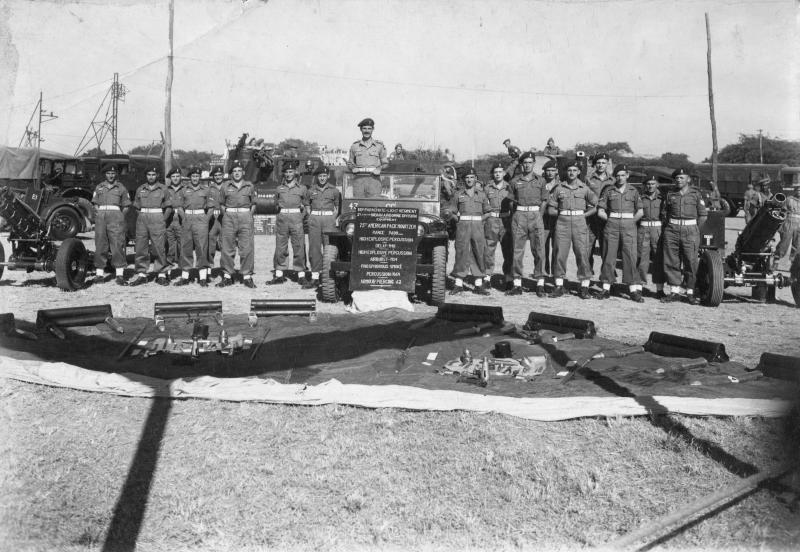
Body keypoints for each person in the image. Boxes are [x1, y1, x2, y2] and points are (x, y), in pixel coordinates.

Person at [546, 159, 597, 299]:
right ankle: (559, 285)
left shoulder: (584, 188)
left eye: (574, 170)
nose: (572, 173)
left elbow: (595, 205)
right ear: (565, 172)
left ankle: (584, 287)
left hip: (580, 223)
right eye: (569, 170)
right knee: (559, 254)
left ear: (579, 172)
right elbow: (551, 209)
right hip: (562, 223)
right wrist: (563, 213)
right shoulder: (559, 188)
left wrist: (584, 215)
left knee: (582, 254)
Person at [596, 164, 644, 301]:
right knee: (608, 257)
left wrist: (631, 222)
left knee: (630, 257)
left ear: (627, 176)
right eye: (617, 175)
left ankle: (633, 290)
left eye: (623, 175)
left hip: (629, 226)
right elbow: (600, 211)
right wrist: (611, 220)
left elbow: (640, 211)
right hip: (612, 226)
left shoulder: (634, 191)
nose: (620, 178)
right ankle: (606, 288)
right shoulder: (608, 190)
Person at [661, 167, 708, 304]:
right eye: (677, 178)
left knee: (691, 262)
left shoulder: (696, 194)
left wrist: (694, 230)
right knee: (671, 260)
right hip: (672, 230)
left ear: (688, 179)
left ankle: (690, 292)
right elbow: (665, 213)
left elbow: (703, 215)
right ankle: (674, 291)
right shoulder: (670, 194)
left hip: (690, 230)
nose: (679, 180)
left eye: (682, 177)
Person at [506, 151, 548, 296]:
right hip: (520, 215)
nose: (527, 165)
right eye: (525, 162)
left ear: (534, 163)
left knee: (539, 250)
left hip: (536, 215)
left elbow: (544, 201)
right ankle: (517, 284)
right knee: (517, 250)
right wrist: (518, 215)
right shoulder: (514, 181)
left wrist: (539, 216)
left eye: (530, 162)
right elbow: (511, 202)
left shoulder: (541, 181)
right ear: (521, 164)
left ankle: (540, 283)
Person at [127, 165, 171, 287]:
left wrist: (163, 219)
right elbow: (136, 206)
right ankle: (142, 274)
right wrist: (142, 215)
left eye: (153, 175)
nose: (151, 177)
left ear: (157, 176)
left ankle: (161, 274)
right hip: (142, 218)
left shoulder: (163, 189)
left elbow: (168, 207)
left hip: (157, 218)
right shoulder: (140, 189)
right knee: (141, 246)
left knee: (158, 247)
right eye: (148, 174)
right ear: (146, 176)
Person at [267, 160, 309, 286]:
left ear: (295, 173)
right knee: (281, 246)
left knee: (299, 246)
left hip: (296, 218)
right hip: (282, 218)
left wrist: (300, 217)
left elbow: (306, 205)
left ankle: (301, 274)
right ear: (283, 174)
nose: (289, 174)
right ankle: (279, 274)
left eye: (291, 172)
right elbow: (275, 205)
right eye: (286, 172)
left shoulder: (302, 188)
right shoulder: (279, 188)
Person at [450, 167, 490, 295]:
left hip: (477, 227)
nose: (469, 180)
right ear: (463, 180)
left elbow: (488, 212)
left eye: (472, 177)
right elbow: (452, 212)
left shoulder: (482, 194)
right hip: (463, 226)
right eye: (467, 177)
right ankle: (458, 284)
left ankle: (478, 284)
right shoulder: (458, 194)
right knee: (461, 252)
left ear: (476, 179)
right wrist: (459, 221)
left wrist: (480, 221)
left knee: (478, 252)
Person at [217, 160, 257, 288]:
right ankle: (228, 276)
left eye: (239, 171)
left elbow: (254, 204)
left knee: (246, 248)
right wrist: (229, 214)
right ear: (231, 173)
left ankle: (246, 276)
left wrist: (248, 216)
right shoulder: (225, 186)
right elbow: (222, 205)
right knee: (227, 247)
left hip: (245, 216)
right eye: (234, 171)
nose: (237, 173)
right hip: (229, 217)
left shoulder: (249, 186)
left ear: (243, 172)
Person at [91, 163, 131, 285]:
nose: (111, 176)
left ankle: (119, 274)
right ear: (105, 174)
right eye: (108, 173)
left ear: (116, 174)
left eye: (113, 173)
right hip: (101, 216)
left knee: (117, 244)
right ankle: (99, 274)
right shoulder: (99, 187)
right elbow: (95, 204)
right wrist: (100, 214)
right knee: (100, 243)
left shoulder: (121, 188)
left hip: (116, 216)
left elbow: (126, 205)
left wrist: (119, 217)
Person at [174, 167, 214, 286]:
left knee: (201, 247)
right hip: (187, 219)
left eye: (197, 176)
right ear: (190, 177)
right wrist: (184, 217)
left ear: (199, 177)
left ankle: (202, 277)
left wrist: (205, 220)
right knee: (186, 247)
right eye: (193, 176)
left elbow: (211, 208)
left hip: (201, 218)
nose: (195, 178)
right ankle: (185, 277)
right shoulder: (184, 190)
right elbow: (179, 206)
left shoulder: (206, 190)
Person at [305, 165, 341, 289]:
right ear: (317, 177)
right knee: (314, 248)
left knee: (328, 248)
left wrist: (332, 218)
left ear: (328, 176)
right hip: (315, 219)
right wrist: (312, 216)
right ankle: (315, 277)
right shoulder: (311, 190)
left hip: (328, 219)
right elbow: (307, 205)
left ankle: (329, 276)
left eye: (324, 176)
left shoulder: (334, 190)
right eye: (320, 176)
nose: (322, 178)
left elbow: (337, 207)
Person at [482, 162, 513, 289]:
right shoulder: (487, 187)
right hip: (492, 220)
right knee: (489, 250)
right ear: (492, 174)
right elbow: (484, 204)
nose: (498, 174)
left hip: (506, 221)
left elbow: (513, 203)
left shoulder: (509, 187)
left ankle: (509, 278)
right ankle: (487, 277)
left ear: (504, 173)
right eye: (495, 172)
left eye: (500, 172)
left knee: (508, 250)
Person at [637, 174, 666, 298]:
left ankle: (659, 289)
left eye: (653, 183)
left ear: (657, 185)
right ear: (645, 185)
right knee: (641, 259)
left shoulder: (663, 198)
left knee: (659, 260)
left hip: (657, 230)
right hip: (643, 229)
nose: (650, 186)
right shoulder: (640, 198)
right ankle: (639, 287)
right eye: (648, 184)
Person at [585, 153, 614, 274]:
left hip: (605, 218)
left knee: (607, 250)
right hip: (590, 218)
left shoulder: (613, 180)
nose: (601, 165)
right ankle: (586, 280)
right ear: (594, 164)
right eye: (598, 163)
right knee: (587, 250)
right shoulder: (588, 178)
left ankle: (607, 280)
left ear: (607, 164)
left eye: (603, 163)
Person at [347, 118, 389, 198]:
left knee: (374, 206)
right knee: (358, 205)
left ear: (373, 129)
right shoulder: (355, 146)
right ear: (361, 129)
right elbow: (350, 162)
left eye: (369, 128)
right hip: (359, 181)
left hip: (374, 181)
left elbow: (385, 163)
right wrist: (352, 167)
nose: (367, 131)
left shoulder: (379, 146)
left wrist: (379, 169)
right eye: (364, 128)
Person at [541, 159, 561, 276]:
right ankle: (543, 275)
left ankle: (556, 275)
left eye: (552, 170)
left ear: (556, 171)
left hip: (558, 220)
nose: (550, 173)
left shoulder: (562, 185)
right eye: (547, 170)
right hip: (543, 220)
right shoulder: (540, 184)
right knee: (542, 248)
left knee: (557, 249)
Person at [773, 183, 800, 271]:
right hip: (788, 223)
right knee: (783, 243)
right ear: (795, 190)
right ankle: (775, 262)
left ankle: (793, 265)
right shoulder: (789, 199)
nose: (799, 191)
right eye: (798, 189)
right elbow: (782, 211)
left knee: (797, 246)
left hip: (799, 225)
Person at [164, 167, 184, 275]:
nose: (175, 178)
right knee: (169, 247)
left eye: (177, 176)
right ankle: (168, 273)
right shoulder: (165, 190)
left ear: (180, 177)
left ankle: (183, 273)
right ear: (170, 178)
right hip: (169, 221)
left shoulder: (185, 190)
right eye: (173, 176)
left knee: (183, 246)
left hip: (181, 221)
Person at [206, 166, 225, 273]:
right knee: (210, 244)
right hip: (213, 218)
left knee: (225, 244)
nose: (218, 177)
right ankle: (209, 268)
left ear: (223, 175)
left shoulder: (227, 187)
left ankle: (225, 269)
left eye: (219, 175)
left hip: (224, 218)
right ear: (213, 177)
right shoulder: (209, 189)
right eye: (216, 175)